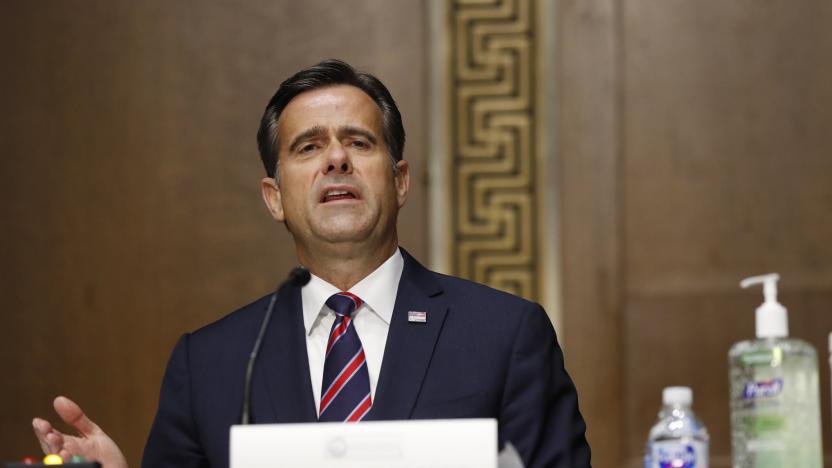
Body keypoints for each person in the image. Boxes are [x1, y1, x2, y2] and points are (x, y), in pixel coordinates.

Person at [32, 59, 591, 468]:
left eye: (359, 142)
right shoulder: (210, 364)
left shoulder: (504, 334)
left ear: (400, 182)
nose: (336, 159)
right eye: (308, 147)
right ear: (274, 197)